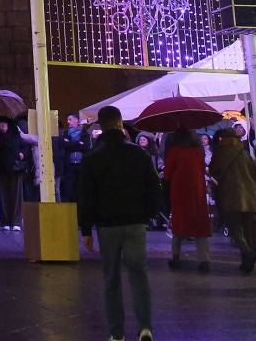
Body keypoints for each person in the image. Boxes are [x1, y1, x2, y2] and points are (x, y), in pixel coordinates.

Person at [76, 105, 161, 341]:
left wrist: (86, 229)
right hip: (136, 223)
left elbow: (86, 195)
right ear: (120, 124)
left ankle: (116, 333)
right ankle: (145, 327)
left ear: (100, 127)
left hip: (107, 225)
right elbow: (155, 188)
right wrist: (149, 214)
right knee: (138, 275)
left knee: (111, 279)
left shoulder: (93, 158)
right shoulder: (139, 154)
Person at [208, 127, 256, 272]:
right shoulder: (244, 153)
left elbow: (214, 174)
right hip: (249, 197)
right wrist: (251, 189)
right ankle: (246, 262)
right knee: (248, 230)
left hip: (229, 197)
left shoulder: (219, 153)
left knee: (236, 230)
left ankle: (247, 253)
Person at [163, 128, 210, 272]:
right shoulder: (198, 151)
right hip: (197, 190)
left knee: (179, 222)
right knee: (199, 224)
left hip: (179, 190)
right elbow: (202, 169)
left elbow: (168, 173)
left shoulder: (174, 151)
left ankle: (176, 257)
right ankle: (204, 260)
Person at [0, 115, 35, 231]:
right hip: (1, 170)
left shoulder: (16, 136)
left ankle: (16, 221)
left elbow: (26, 148)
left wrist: (23, 154)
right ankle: (5, 221)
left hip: (16, 169)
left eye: (5, 124)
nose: (3, 126)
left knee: (16, 196)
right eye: (0, 124)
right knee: (3, 197)